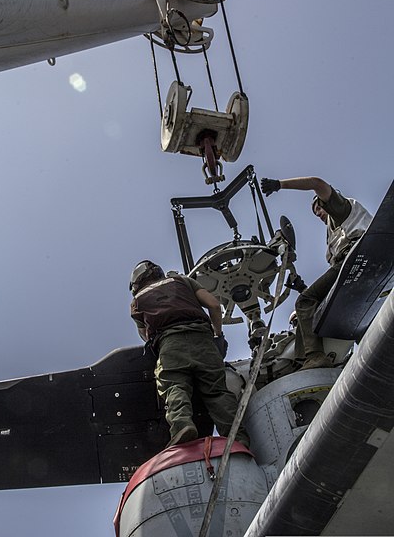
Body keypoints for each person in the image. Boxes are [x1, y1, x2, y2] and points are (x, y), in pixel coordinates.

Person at [130, 260, 250, 447]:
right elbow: (214, 305)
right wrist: (217, 335)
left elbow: (145, 335)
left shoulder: (137, 301)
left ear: (136, 283)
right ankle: (239, 437)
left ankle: (182, 426)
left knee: (174, 386)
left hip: (170, 344)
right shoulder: (182, 281)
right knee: (217, 392)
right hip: (203, 340)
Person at [261, 176, 372, 370]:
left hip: (354, 260)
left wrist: (279, 185)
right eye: (315, 212)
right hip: (351, 266)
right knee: (311, 304)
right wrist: (301, 287)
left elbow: (316, 183)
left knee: (304, 301)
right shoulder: (334, 232)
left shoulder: (340, 209)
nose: (318, 213)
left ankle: (314, 356)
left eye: (319, 208)